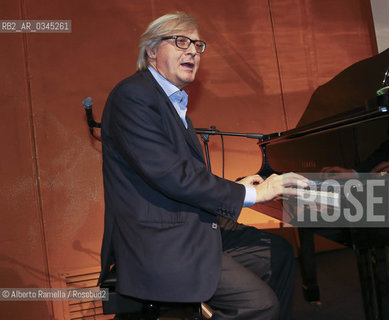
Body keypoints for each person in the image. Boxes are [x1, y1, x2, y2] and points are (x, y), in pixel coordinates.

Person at [98, 12, 308, 320]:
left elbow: (181, 175)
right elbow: (172, 176)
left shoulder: (170, 100)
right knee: (259, 306)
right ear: (152, 51)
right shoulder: (134, 96)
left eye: (197, 45)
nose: (193, 51)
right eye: (181, 41)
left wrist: (239, 187)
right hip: (160, 241)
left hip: (187, 224)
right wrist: (255, 195)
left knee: (279, 253)